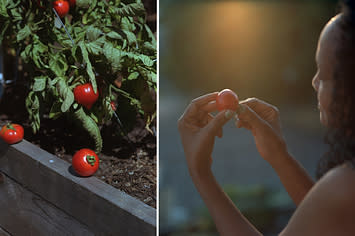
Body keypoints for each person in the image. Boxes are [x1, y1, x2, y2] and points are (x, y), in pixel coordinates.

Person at [177, 1, 355, 235]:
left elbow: (333, 206)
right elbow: (331, 221)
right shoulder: (342, 192)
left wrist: (200, 173)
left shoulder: (345, 185)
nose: (314, 82)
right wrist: (278, 155)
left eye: (325, 74)